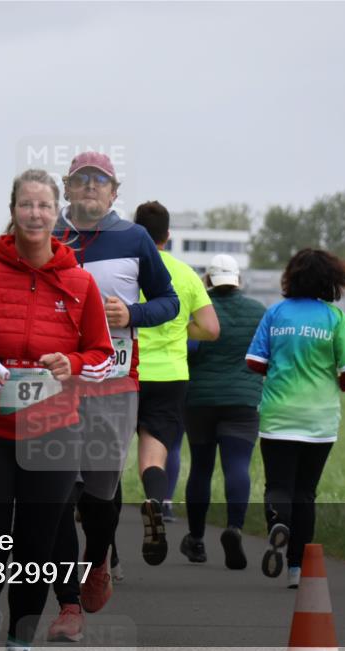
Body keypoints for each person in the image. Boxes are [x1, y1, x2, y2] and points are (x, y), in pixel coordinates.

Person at [0, 170, 114, 651]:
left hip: (53, 433)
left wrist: (72, 363)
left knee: (35, 549)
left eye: (43, 206)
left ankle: (19, 646)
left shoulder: (80, 283)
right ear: (12, 210)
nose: (35, 214)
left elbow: (103, 355)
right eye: (26, 205)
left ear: (57, 214)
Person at [46, 152, 179, 639]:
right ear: (67, 187)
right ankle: (68, 603)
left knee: (100, 493)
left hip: (113, 386)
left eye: (98, 182)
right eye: (80, 181)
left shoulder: (135, 238)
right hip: (53, 385)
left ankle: (97, 560)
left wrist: (131, 315)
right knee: (57, 491)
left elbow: (170, 302)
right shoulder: (45, 234)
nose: (88, 189)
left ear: (114, 191)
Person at [245, 248, 345, 589]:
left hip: (278, 414)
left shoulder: (276, 313)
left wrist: (279, 367)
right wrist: (335, 383)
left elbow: (254, 361)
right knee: (306, 493)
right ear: (332, 280)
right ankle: (296, 569)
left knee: (278, 486)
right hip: (320, 420)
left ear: (290, 277)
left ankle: (277, 525)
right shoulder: (335, 319)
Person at [133, 201, 220, 566]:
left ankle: (107, 557)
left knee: (102, 461)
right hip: (170, 375)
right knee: (154, 454)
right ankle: (154, 501)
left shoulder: (126, 271)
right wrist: (183, 329)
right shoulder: (185, 275)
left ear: (135, 232)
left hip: (125, 372)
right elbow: (212, 329)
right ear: (168, 236)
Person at [181, 254, 266, 568]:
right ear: (238, 279)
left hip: (200, 400)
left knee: (201, 468)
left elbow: (188, 352)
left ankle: (197, 540)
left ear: (207, 280)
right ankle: (235, 527)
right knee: (237, 465)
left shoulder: (198, 312)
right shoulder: (259, 313)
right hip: (243, 401)